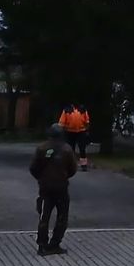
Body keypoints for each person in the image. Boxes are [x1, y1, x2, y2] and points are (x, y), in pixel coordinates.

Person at [29, 123, 77, 256]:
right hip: (61, 188)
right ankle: (55, 244)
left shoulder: (41, 148)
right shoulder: (67, 149)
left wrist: (41, 178)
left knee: (44, 217)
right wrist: (64, 176)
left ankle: (42, 245)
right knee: (62, 217)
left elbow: (33, 168)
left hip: (45, 188)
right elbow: (73, 169)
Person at [59, 103, 90, 171]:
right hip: (69, 131)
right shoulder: (66, 109)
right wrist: (62, 131)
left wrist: (87, 131)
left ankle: (84, 165)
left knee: (82, 148)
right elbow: (61, 122)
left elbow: (87, 121)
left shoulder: (82, 109)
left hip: (81, 131)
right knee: (70, 149)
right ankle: (70, 165)